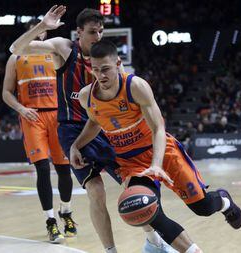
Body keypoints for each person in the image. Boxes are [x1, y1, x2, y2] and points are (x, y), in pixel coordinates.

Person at [10, 6, 174, 253]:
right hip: (72, 130)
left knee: (135, 186)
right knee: (96, 190)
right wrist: (43, 26)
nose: (97, 36)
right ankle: (110, 250)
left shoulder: (107, 60)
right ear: (79, 33)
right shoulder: (64, 48)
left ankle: (154, 240)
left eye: (100, 31)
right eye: (92, 32)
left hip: (103, 129)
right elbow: (16, 49)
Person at [69, 40, 241, 252]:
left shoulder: (136, 87)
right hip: (131, 162)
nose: (101, 75)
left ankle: (224, 200)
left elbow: (158, 128)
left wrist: (157, 164)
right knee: (147, 211)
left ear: (117, 64)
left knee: (203, 207)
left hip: (163, 152)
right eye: (95, 70)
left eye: (105, 69)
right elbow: (96, 122)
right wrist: (76, 145)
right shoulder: (87, 96)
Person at [3, 19, 76, 244]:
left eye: (43, 31)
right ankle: (51, 221)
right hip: (32, 116)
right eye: (36, 31)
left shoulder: (55, 53)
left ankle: (66, 212)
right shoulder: (15, 58)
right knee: (42, 169)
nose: (39, 35)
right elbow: (6, 92)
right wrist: (21, 108)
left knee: (64, 170)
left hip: (58, 115)